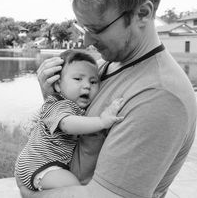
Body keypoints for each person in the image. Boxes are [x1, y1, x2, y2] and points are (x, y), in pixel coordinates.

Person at [16, 0, 197, 198]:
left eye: (97, 29)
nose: (87, 40)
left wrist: (29, 193)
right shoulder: (103, 67)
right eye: (84, 28)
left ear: (142, 14)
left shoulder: (159, 95)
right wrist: (54, 99)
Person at [15, 50, 123, 191]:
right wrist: (102, 121)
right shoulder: (56, 104)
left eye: (93, 81)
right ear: (58, 85)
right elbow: (67, 124)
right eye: (78, 79)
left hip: (51, 164)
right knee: (74, 189)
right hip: (39, 165)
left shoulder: (75, 106)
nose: (86, 86)